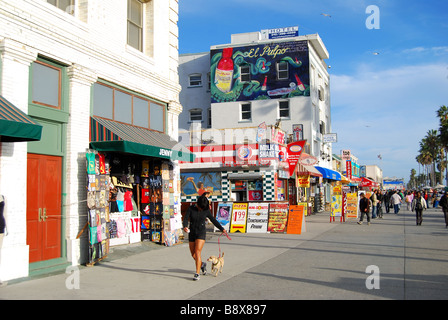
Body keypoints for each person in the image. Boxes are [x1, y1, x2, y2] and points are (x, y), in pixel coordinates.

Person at [183, 194, 227, 281]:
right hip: (192, 233)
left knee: (197, 251)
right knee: (193, 254)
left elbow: (213, 220)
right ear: (197, 204)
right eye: (200, 208)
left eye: (203, 208)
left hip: (201, 233)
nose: (201, 209)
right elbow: (185, 218)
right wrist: (185, 226)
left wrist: (222, 229)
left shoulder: (206, 210)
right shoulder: (191, 208)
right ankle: (202, 265)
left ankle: (197, 273)